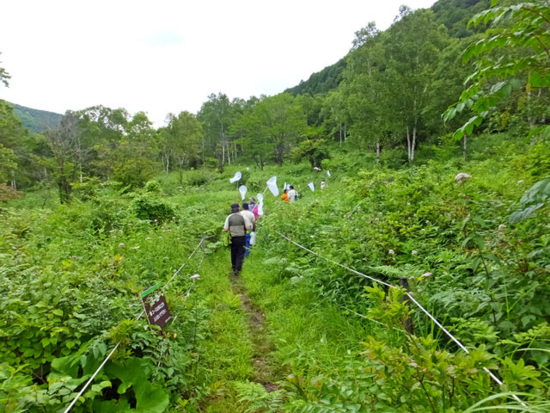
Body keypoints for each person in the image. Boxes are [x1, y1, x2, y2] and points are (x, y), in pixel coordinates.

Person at [223, 203, 251, 275]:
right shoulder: (243, 216)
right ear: (239, 209)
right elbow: (248, 228)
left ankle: (234, 266)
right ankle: (238, 268)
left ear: (231, 209)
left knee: (233, 252)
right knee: (240, 252)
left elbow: (225, 229)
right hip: (242, 236)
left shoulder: (229, 217)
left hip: (233, 237)